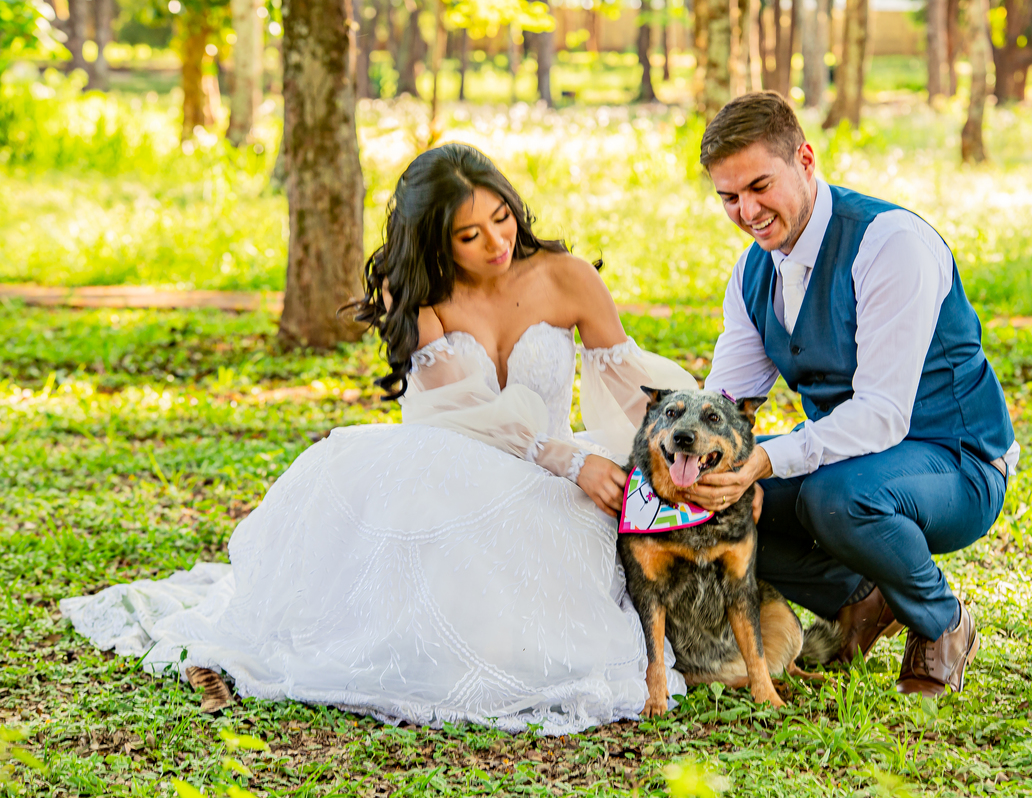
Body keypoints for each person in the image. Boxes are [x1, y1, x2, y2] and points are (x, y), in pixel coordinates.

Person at [60, 143, 697, 734]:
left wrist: (685, 437)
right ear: (433, 241)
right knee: (431, 636)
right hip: (450, 466)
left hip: (551, 481)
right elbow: (464, 407)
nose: (497, 242)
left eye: (503, 218)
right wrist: (568, 459)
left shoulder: (565, 276)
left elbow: (628, 383)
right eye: (469, 236)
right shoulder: (415, 289)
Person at [687, 92, 1017, 697]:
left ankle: (942, 622)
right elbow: (727, 403)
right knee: (722, 502)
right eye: (730, 197)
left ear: (805, 160)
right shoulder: (752, 273)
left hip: (958, 458)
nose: (747, 211)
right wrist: (697, 467)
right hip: (857, 460)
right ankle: (859, 602)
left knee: (834, 497)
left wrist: (763, 460)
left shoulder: (889, 243)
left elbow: (882, 416)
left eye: (760, 185)